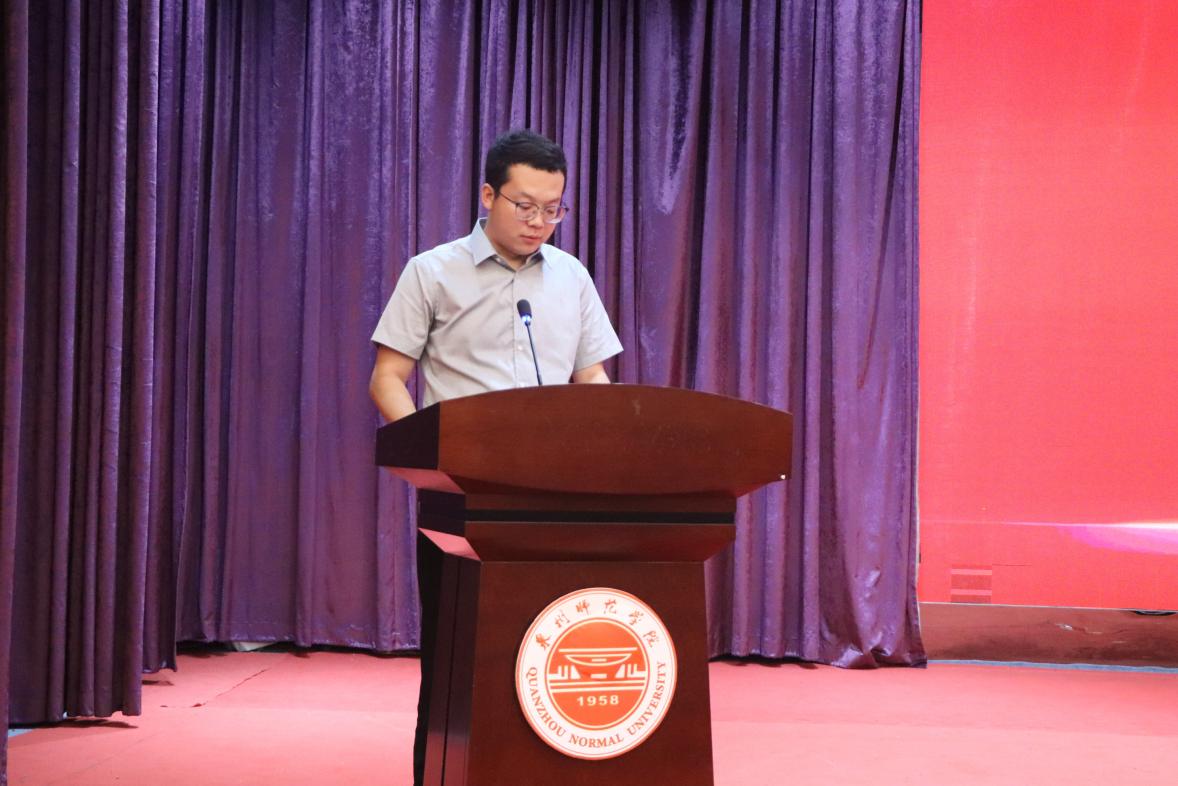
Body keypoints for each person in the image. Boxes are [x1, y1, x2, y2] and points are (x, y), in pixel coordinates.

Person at [368, 130, 623, 785]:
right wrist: (432, 458)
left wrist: (606, 446)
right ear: (488, 195)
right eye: (525, 206)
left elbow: (592, 377)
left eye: (553, 209)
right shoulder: (431, 271)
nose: (539, 222)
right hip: (461, 499)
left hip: (553, 499)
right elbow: (387, 378)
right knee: (455, 656)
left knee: (545, 651)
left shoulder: (571, 277)